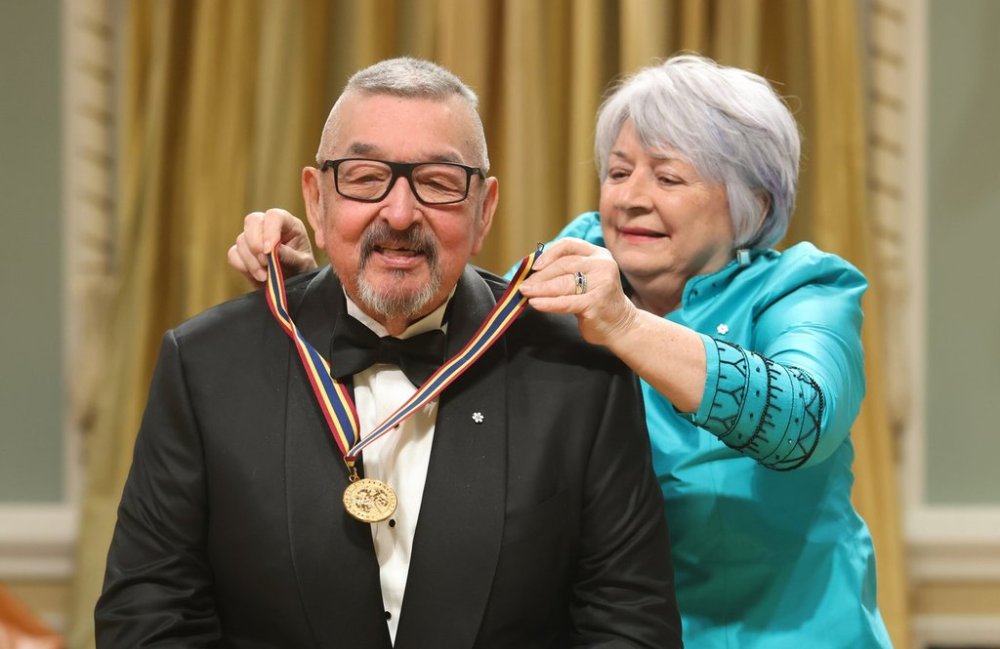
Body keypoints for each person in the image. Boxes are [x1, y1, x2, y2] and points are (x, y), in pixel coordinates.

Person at [231, 53, 894, 647]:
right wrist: (318, 267)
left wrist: (626, 326)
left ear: (754, 198)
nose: (631, 198)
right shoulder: (581, 255)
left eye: (669, 177)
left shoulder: (806, 288)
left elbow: (802, 422)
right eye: (618, 171)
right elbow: (449, 316)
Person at [96, 57, 683, 649]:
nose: (400, 214)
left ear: (484, 210)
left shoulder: (579, 369)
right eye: (365, 176)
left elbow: (630, 625)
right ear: (316, 200)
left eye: (438, 181)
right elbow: (148, 618)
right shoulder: (206, 364)